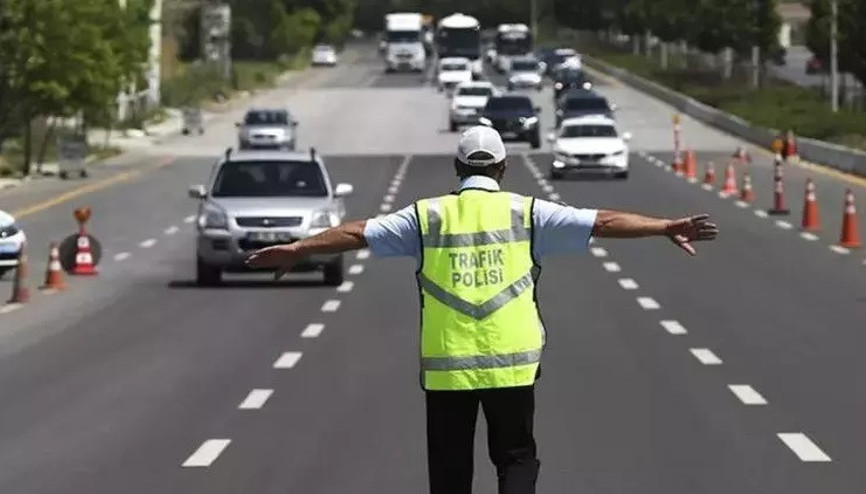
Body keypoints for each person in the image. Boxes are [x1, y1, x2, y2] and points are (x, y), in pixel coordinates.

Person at [245, 126, 719, 494]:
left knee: (450, 469)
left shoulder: (425, 217)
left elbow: (356, 232)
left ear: (456, 167)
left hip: (447, 368)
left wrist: (299, 249)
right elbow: (604, 221)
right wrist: (663, 226)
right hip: (512, 363)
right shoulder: (529, 212)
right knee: (516, 459)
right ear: (503, 167)